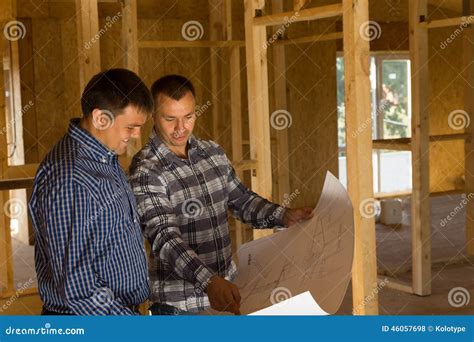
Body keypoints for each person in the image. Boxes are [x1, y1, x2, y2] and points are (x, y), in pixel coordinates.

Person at [129, 74, 313, 315]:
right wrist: (209, 281)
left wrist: (284, 215)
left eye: (188, 117)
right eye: (170, 119)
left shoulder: (212, 153)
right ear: (153, 115)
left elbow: (242, 201)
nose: (181, 128)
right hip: (178, 307)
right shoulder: (146, 170)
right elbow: (165, 238)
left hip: (227, 292)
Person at [29, 68, 153, 315]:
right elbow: (80, 290)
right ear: (100, 118)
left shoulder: (102, 158)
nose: (137, 135)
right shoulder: (71, 178)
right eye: (131, 127)